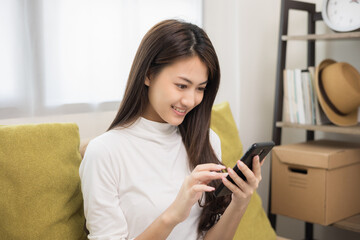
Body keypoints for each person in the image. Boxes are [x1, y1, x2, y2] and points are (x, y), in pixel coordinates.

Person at [79, 19, 262, 240]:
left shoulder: (207, 141)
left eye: (200, 88)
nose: (190, 100)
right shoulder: (104, 153)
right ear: (148, 74)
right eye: (182, 86)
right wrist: (173, 214)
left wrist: (239, 203)